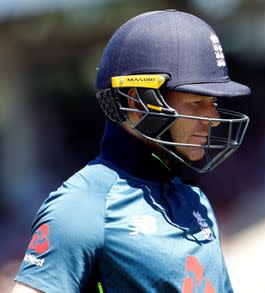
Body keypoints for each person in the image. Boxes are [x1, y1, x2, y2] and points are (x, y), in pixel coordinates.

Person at [13, 10, 250, 293]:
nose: (212, 118)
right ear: (138, 103)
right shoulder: (80, 208)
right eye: (197, 102)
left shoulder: (195, 201)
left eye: (213, 102)